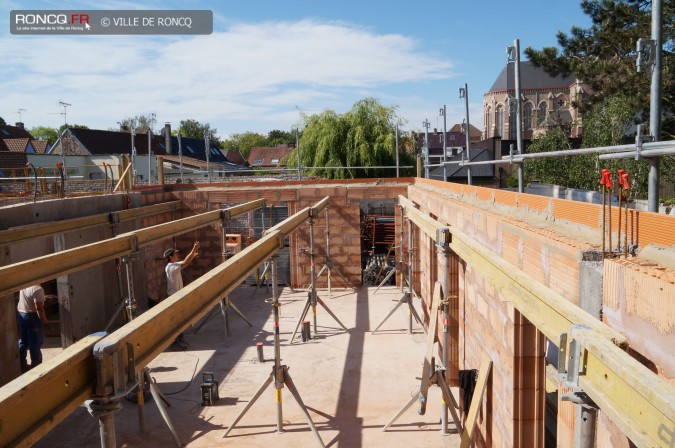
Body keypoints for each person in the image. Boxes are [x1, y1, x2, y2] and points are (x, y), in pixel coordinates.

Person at [164, 241, 200, 348]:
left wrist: (193, 255)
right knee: (175, 321)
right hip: (173, 298)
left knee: (179, 319)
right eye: (175, 254)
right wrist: (194, 248)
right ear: (171, 257)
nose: (177, 255)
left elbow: (184, 262)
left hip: (177, 297)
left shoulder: (174, 264)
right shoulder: (170, 267)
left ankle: (179, 339)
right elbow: (186, 263)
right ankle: (175, 342)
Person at [17, 284, 48, 372]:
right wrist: (45, 321)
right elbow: (39, 308)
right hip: (32, 317)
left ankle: (21, 364)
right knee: (35, 343)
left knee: (23, 341)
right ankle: (36, 367)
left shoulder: (25, 284)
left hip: (22, 314)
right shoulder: (38, 289)